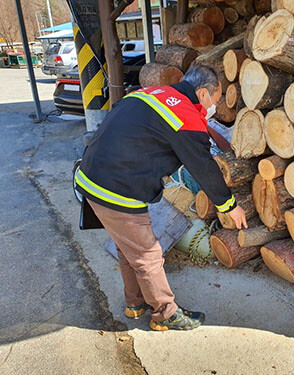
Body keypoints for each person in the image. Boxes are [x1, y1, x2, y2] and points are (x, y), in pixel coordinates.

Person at [75, 65, 247, 331]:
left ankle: (135, 303)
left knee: (127, 246)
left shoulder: (150, 94)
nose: (215, 105)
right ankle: (165, 313)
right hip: (116, 186)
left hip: (91, 176)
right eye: (216, 98)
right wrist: (230, 205)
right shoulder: (185, 116)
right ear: (202, 94)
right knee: (148, 254)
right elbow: (202, 166)